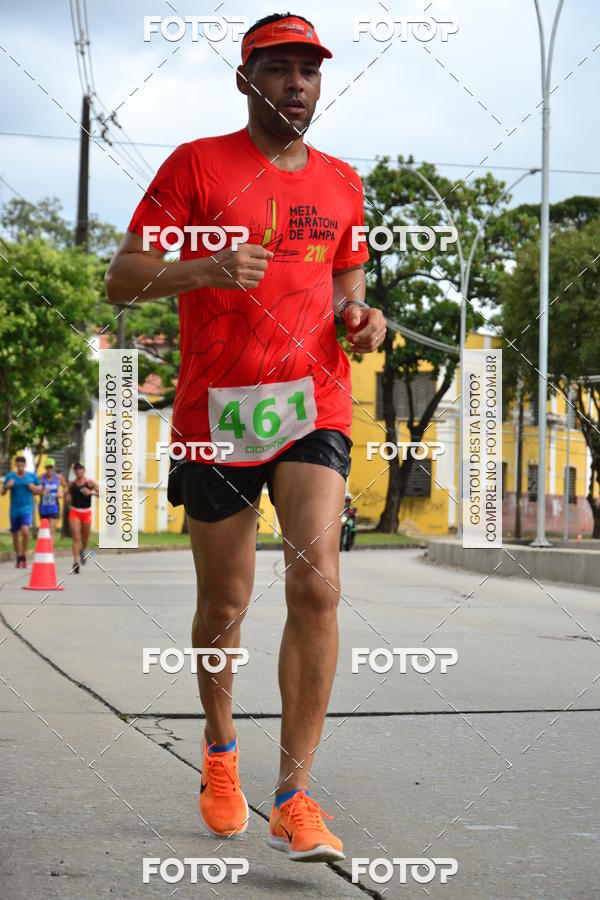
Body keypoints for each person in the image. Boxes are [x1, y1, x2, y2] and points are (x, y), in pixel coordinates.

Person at [105, 12, 386, 862]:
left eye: (309, 69)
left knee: (319, 585)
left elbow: (349, 292)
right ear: (246, 80)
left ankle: (295, 795)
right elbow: (121, 279)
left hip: (314, 406)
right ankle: (220, 750)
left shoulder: (343, 183)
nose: (296, 81)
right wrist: (206, 267)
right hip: (216, 412)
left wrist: (363, 322)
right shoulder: (196, 165)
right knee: (225, 605)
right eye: (279, 68)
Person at [1, 455, 42, 568]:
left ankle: (23, 554)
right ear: (15, 465)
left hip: (27, 509)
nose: (20, 468)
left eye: (22, 465)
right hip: (14, 510)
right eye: (18, 465)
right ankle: (18, 556)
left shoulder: (31, 476)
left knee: (25, 531)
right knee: (15, 535)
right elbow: (3, 492)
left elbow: (40, 489)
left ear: (25, 465)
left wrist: (34, 488)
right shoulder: (10, 476)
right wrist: (7, 487)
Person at [66, 463, 99, 574]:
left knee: (84, 539)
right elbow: (67, 493)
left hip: (86, 513)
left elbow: (103, 494)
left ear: (84, 471)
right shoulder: (71, 484)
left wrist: (91, 492)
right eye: (76, 470)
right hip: (74, 512)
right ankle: (75, 562)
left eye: (80, 469)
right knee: (76, 537)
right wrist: (68, 497)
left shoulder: (90, 483)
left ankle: (82, 550)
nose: (78, 471)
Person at [39, 458, 66, 538]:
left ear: (54, 467)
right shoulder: (40, 477)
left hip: (54, 508)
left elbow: (66, 487)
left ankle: (50, 549)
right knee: (45, 530)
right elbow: (34, 489)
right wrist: (41, 491)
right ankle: (45, 549)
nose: (49, 469)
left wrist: (62, 493)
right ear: (45, 468)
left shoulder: (58, 478)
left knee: (51, 529)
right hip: (43, 508)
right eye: (47, 467)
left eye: (51, 467)